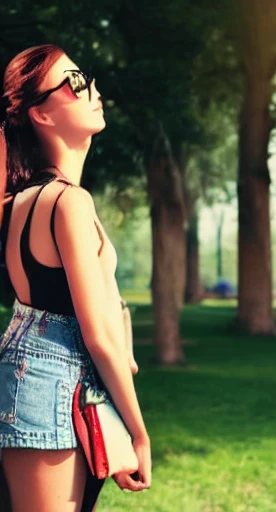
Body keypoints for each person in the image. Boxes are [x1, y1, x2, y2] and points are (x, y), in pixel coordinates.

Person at [0, 44, 151, 511]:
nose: (93, 90)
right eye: (74, 84)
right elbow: (98, 334)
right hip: (48, 388)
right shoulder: (68, 203)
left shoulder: (21, 201)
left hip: (39, 382)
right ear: (40, 115)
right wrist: (140, 433)